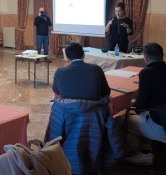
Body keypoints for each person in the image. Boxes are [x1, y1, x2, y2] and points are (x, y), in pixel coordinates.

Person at [45, 42, 123, 174]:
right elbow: (106, 92)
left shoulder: (61, 71)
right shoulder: (96, 69)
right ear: (83, 55)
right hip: (94, 115)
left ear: (67, 58)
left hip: (68, 113)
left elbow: (56, 90)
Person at [121, 42, 166, 165]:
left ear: (145, 58)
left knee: (121, 120)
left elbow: (140, 107)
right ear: (162, 55)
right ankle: (147, 146)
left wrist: (133, 103)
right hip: (162, 116)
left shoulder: (147, 73)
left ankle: (142, 154)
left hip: (160, 123)